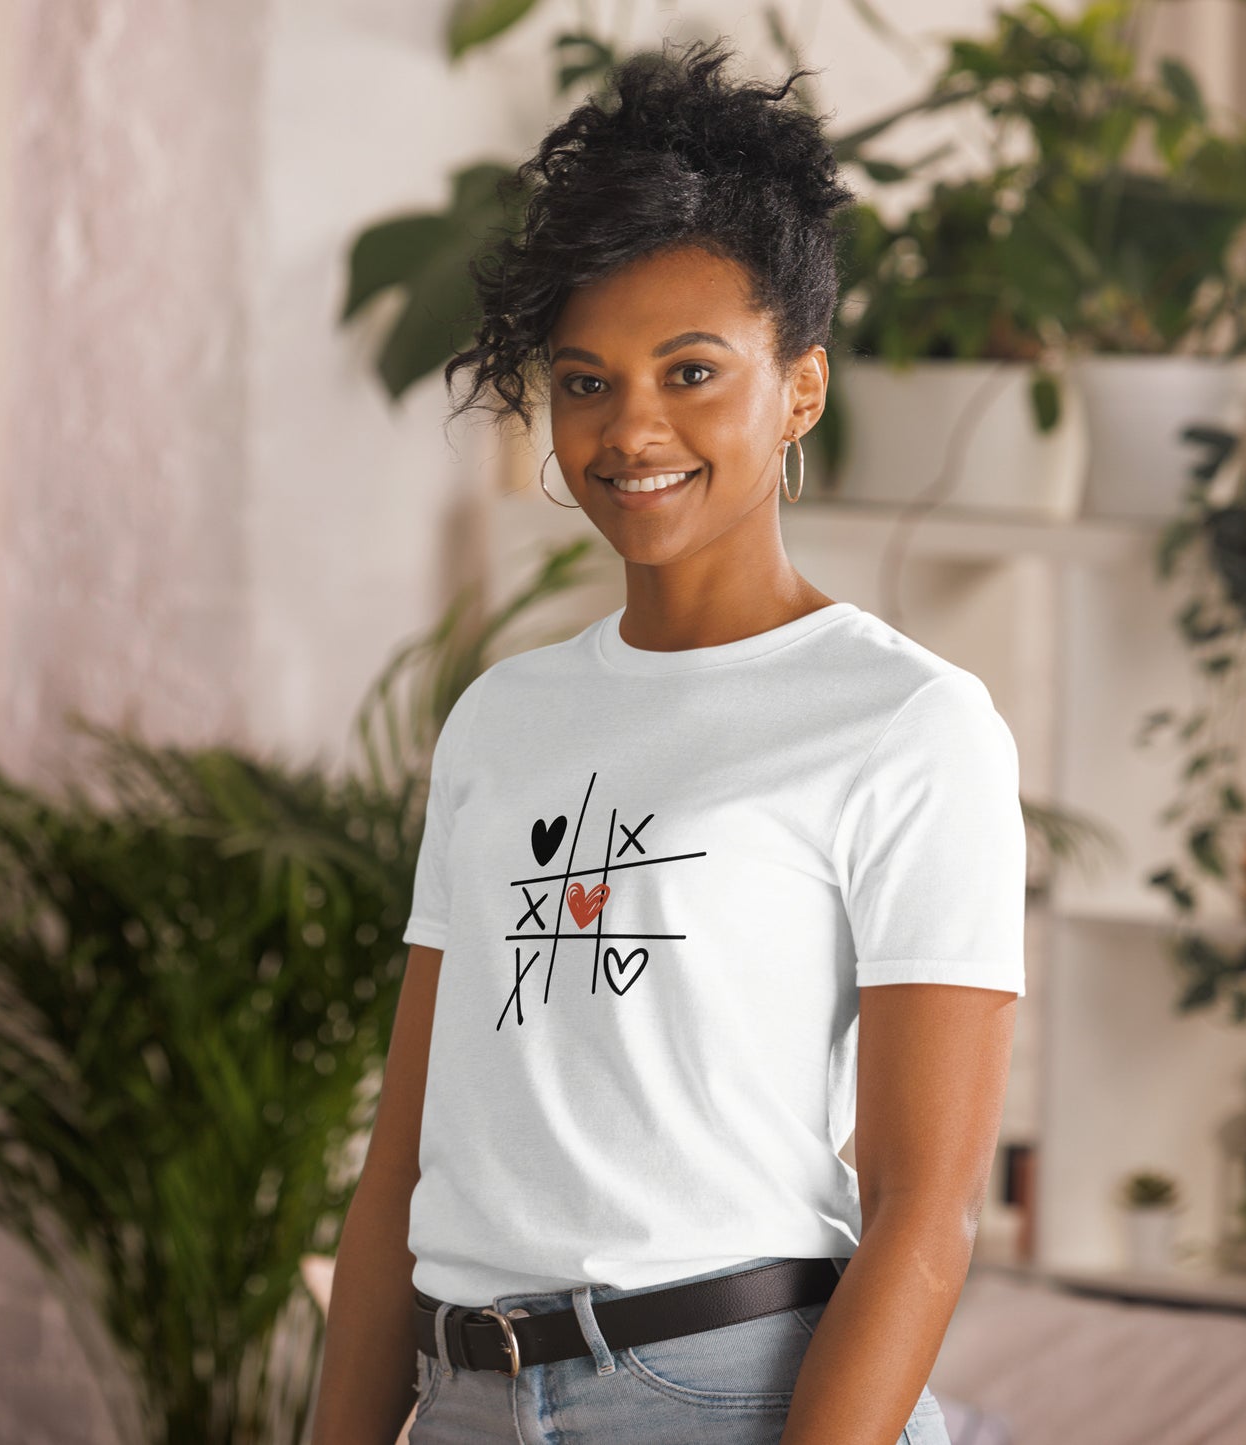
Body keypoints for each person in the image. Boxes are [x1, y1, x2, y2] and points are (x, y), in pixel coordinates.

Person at [310, 36, 1024, 1445]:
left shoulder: (904, 721)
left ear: (798, 388)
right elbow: (404, 1157)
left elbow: (923, 1210)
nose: (631, 427)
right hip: (462, 1397)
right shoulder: (502, 719)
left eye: (691, 371)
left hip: (726, 1393)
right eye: (584, 381)